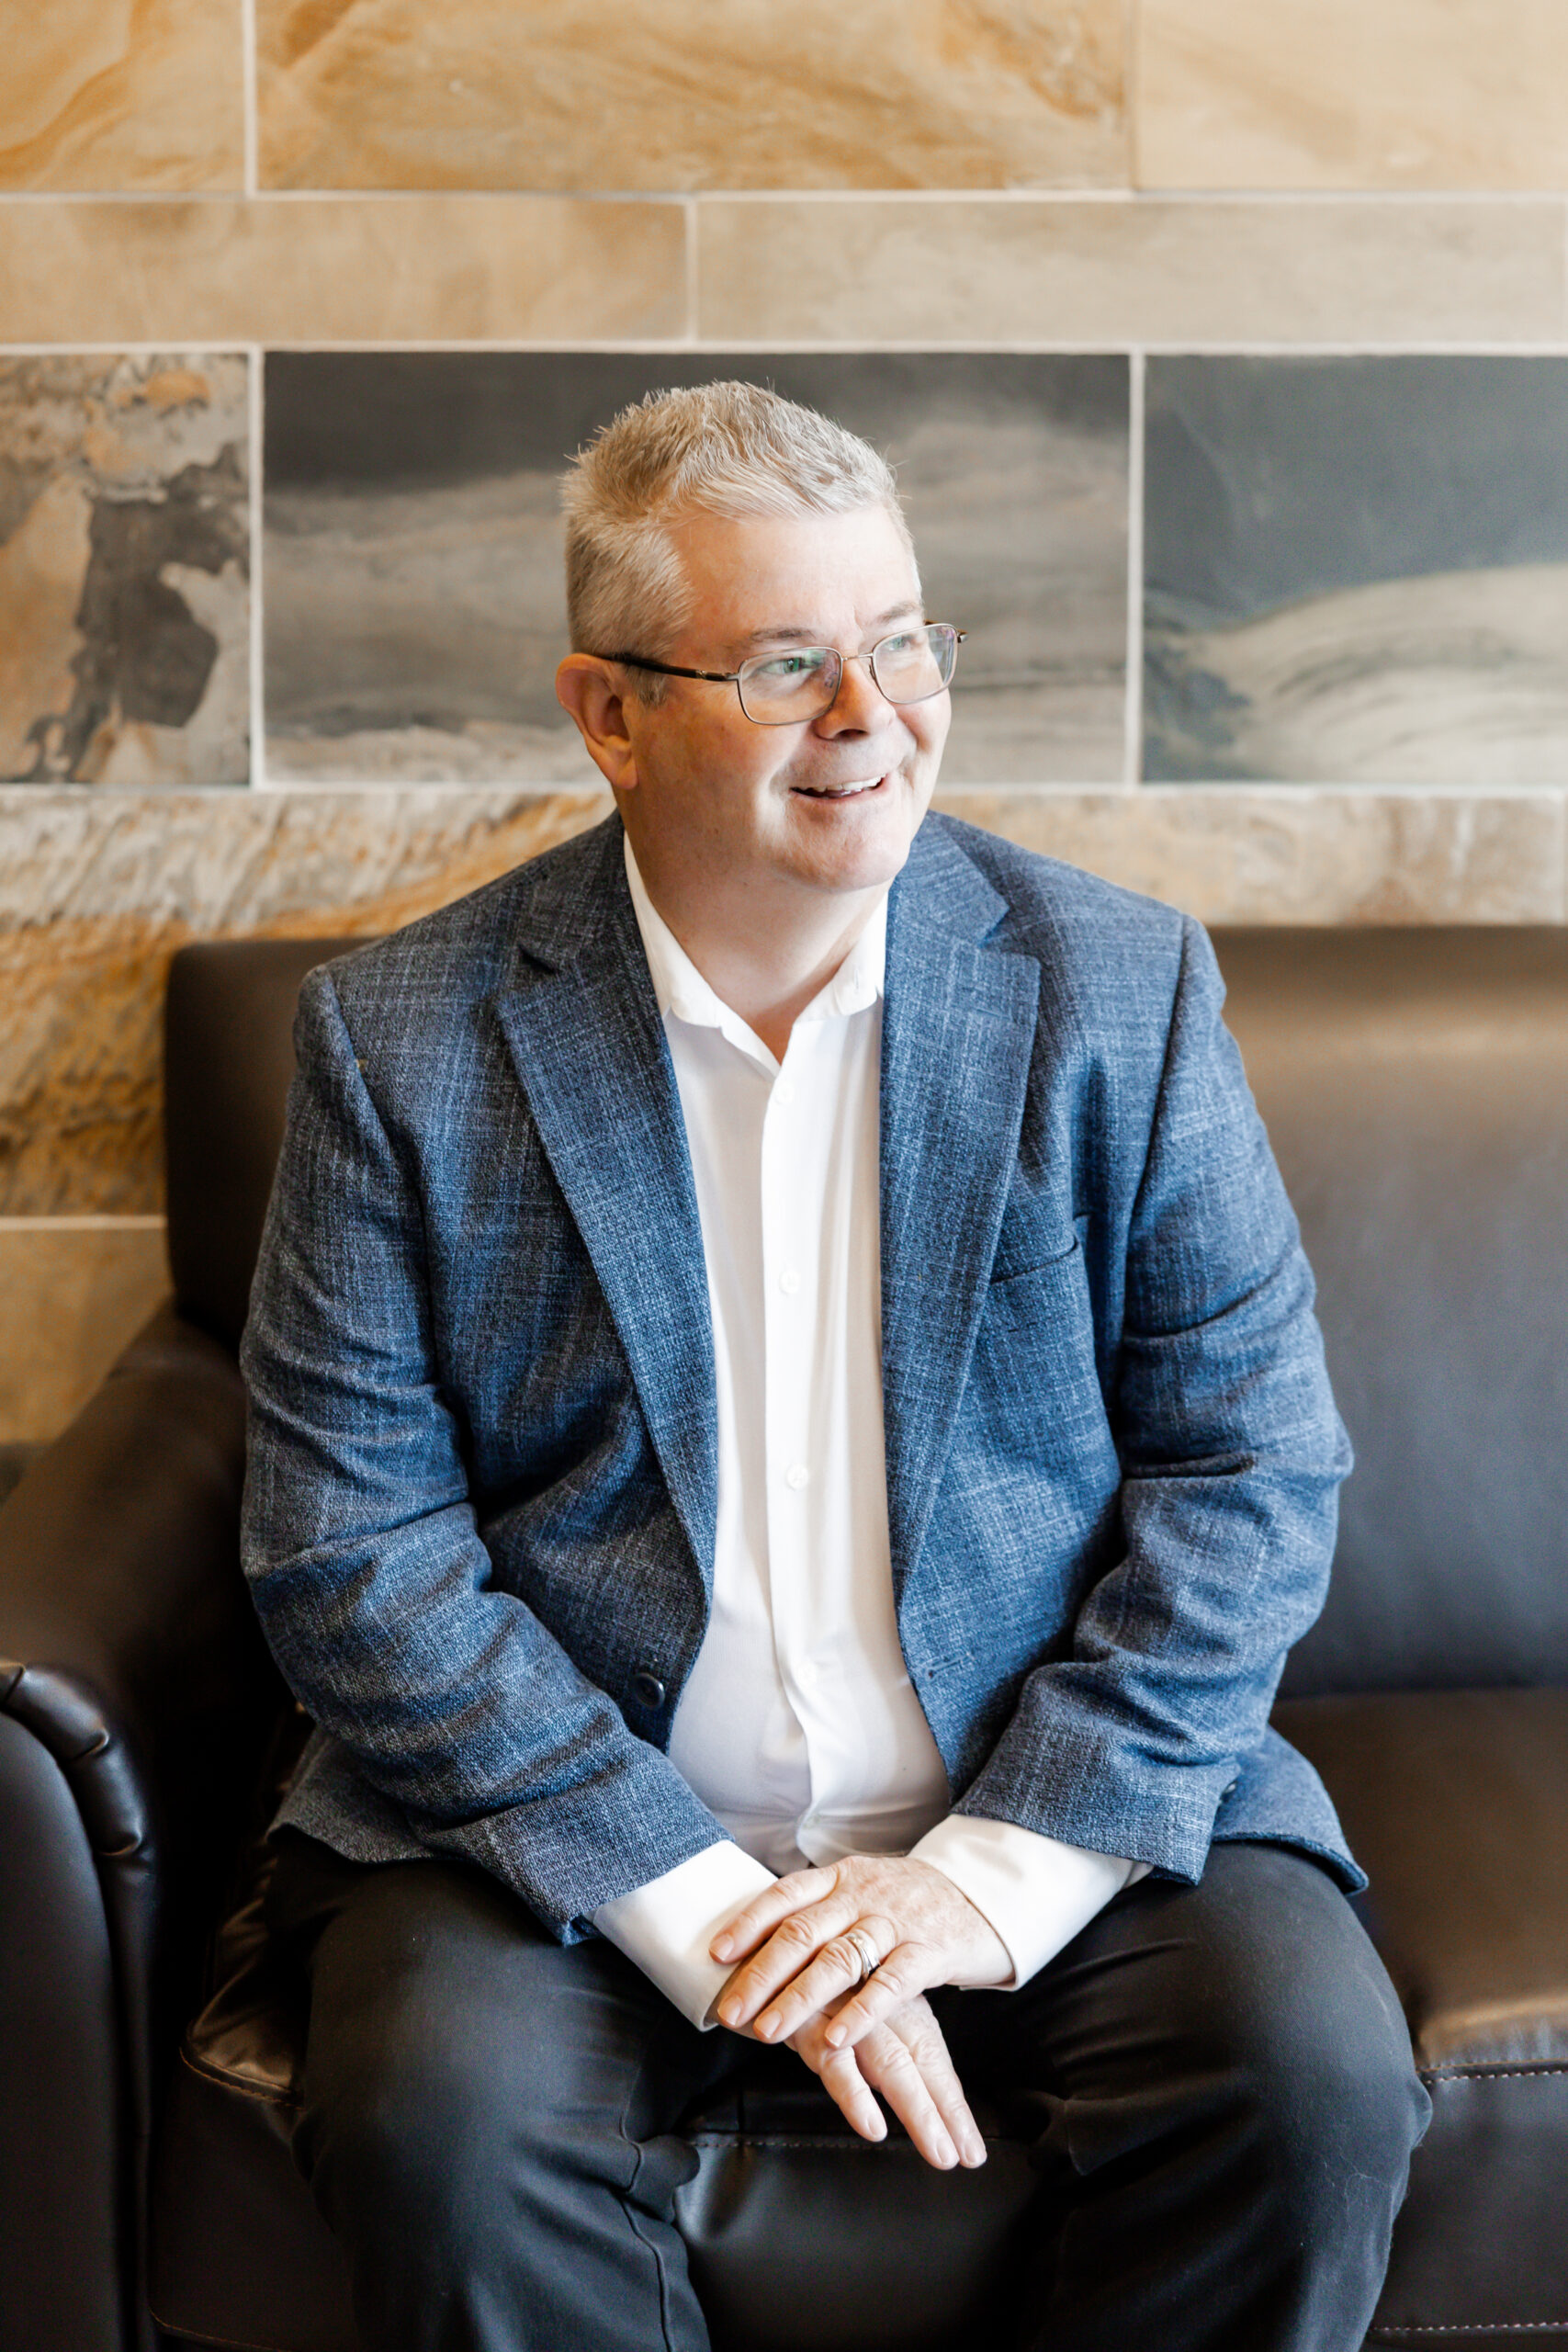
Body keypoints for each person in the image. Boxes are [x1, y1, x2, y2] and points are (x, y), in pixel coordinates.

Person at [241, 380, 1429, 2352]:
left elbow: (1247, 1468)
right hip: (562, 1822)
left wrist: (976, 1883)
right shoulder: (401, 1039)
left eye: (901, 644)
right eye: (787, 662)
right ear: (607, 711)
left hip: (1034, 1787)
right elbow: (349, 1550)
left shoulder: (1112, 988)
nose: (870, 716)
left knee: (1299, 2079)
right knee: (437, 2122)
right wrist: (707, 1908)